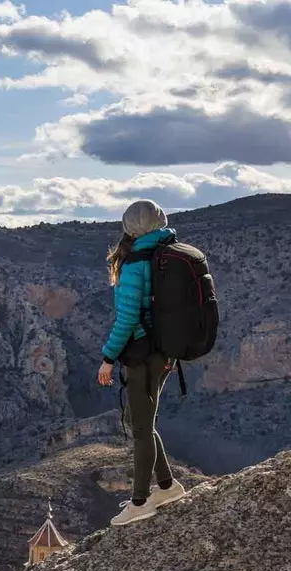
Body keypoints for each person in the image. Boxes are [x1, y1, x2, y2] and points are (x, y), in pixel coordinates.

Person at [97, 199, 188, 526]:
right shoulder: (169, 253)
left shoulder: (136, 265)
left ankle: (139, 503)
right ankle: (167, 486)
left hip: (142, 355)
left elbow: (126, 320)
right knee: (141, 419)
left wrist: (108, 359)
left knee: (139, 429)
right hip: (164, 353)